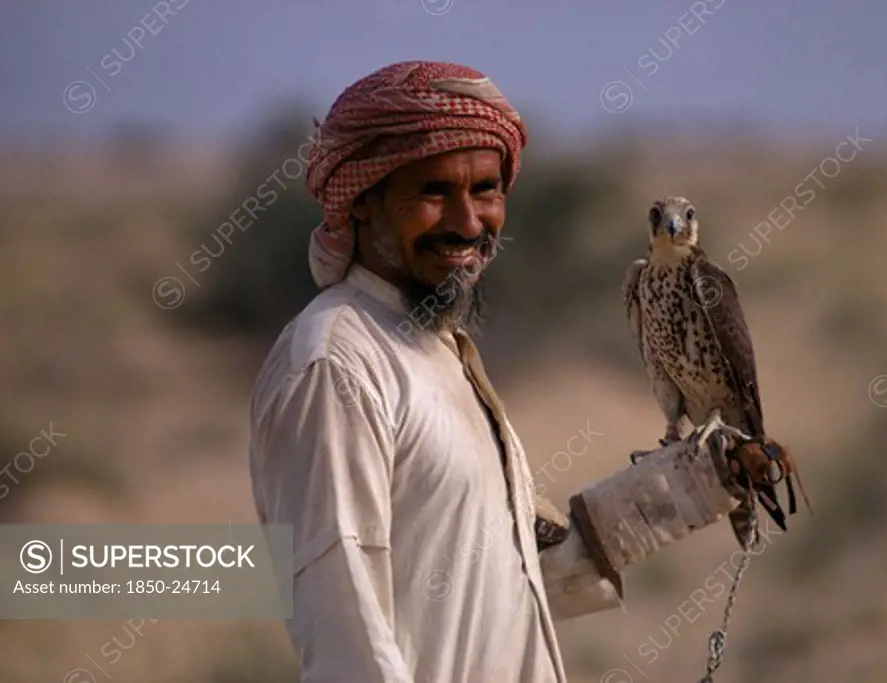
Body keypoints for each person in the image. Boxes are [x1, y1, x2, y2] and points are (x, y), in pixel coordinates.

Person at [248, 60, 738, 683]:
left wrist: (700, 481)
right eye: (433, 193)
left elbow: (508, 580)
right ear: (364, 201)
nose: (467, 222)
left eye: (485, 190)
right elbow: (346, 638)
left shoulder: (434, 346)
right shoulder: (336, 366)